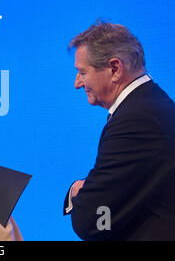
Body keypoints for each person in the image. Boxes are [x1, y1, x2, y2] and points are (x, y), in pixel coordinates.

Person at [63, 20, 175, 240]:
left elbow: (92, 219)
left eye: (82, 72)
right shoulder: (150, 105)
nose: (77, 83)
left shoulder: (136, 120)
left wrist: (77, 191)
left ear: (115, 69)